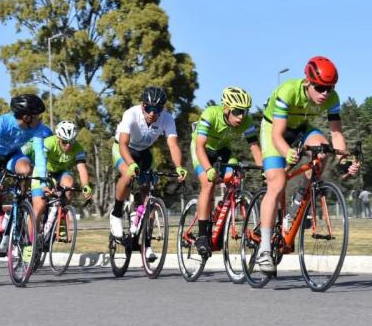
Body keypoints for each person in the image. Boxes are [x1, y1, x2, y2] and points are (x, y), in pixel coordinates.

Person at [256, 56, 360, 273]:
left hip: (302, 127)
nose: (325, 93)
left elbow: (336, 134)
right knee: (276, 183)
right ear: (308, 82)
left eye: (329, 88)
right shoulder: (289, 91)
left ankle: (299, 198)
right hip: (274, 130)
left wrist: (345, 160)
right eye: (320, 87)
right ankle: (264, 249)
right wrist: (288, 153)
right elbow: (277, 135)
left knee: (322, 149)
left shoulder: (332, 98)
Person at [109, 86, 187, 263]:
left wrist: (179, 167)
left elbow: (173, 145)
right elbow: (122, 144)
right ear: (142, 105)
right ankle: (117, 213)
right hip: (124, 150)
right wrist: (130, 165)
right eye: (149, 108)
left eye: (157, 109)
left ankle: (146, 244)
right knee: (128, 176)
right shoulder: (131, 114)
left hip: (144, 153)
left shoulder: (167, 119)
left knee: (149, 195)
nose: (153, 113)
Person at [0, 94, 51, 275]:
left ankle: (20, 203)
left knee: (26, 169)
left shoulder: (37, 128)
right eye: (37, 115)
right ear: (26, 117)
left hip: (12, 155)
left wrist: (41, 183)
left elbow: (40, 159)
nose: (40, 119)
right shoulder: (1, 123)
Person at [191, 87, 262, 257]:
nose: (241, 116)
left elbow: (254, 146)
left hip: (223, 151)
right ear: (226, 108)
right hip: (202, 150)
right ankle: (201, 235)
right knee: (208, 184)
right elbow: (200, 146)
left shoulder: (246, 121)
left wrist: (264, 170)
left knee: (236, 175)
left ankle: (222, 215)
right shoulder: (210, 114)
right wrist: (208, 169)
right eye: (237, 111)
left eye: (244, 112)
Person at [24, 120, 93, 236]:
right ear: (58, 138)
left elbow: (81, 168)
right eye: (65, 142)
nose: (68, 145)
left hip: (59, 172)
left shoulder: (78, 148)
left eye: (71, 141)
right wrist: (43, 184)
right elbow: (41, 164)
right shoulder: (48, 143)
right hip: (42, 171)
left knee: (69, 184)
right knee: (39, 206)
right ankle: (29, 243)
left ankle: (61, 218)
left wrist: (86, 186)